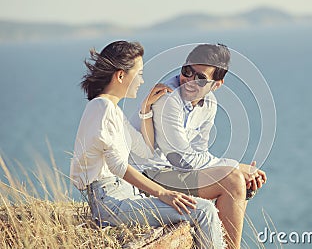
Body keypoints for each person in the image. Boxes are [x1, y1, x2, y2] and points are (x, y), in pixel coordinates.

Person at [70, 41, 225, 249]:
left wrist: (146, 108)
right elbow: (118, 167)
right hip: (109, 202)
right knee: (203, 210)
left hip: (124, 192)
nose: (142, 81)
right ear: (121, 75)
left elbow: (146, 149)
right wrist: (163, 193)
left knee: (199, 208)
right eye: (139, 74)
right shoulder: (102, 107)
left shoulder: (113, 111)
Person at [131, 43, 267, 249]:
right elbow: (182, 160)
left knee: (239, 181)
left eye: (201, 78)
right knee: (232, 179)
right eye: (187, 71)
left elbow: (198, 152)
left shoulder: (209, 103)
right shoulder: (167, 98)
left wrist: (239, 171)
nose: (189, 81)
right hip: (147, 177)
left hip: (172, 174)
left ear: (216, 84)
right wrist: (236, 167)